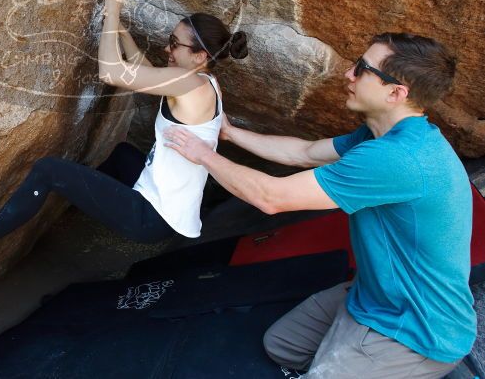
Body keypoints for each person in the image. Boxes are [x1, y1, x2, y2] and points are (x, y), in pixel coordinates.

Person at [163, 33, 475, 378]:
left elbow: (271, 198)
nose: (348, 75)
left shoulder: (398, 159)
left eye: (362, 69)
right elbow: (304, 153)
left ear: (395, 92)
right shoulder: (383, 134)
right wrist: (231, 133)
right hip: (374, 294)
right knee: (280, 345)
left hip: (418, 329)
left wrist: (203, 155)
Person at [0, 0, 248, 263]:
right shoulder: (205, 82)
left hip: (152, 217)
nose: (168, 49)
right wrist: (121, 28)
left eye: (175, 45)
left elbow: (111, 72)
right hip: (166, 206)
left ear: (199, 56)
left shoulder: (189, 83)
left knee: (48, 169)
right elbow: (148, 73)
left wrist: (112, 9)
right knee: (122, 154)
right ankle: (84, 196)